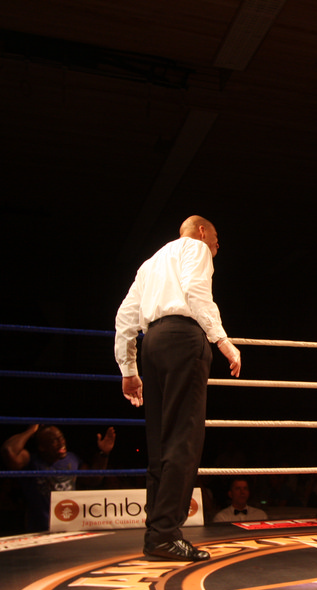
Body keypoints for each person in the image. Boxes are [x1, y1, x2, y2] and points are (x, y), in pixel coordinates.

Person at [114, 214, 241, 563]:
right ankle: (166, 534)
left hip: (152, 344)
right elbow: (195, 292)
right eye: (215, 237)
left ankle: (157, 534)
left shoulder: (150, 264)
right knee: (183, 440)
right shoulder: (195, 248)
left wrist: (129, 369)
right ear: (201, 231)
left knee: (160, 443)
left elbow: (125, 317)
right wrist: (222, 341)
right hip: (184, 340)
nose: (217, 245)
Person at [0, 423, 116, 531]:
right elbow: (9, 451)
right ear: (42, 447)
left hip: (68, 525)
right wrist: (31, 431)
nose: (61, 442)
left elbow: (94, 479)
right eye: (54, 440)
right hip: (39, 529)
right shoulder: (31, 461)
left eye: (61, 438)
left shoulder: (71, 459)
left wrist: (104, 453)